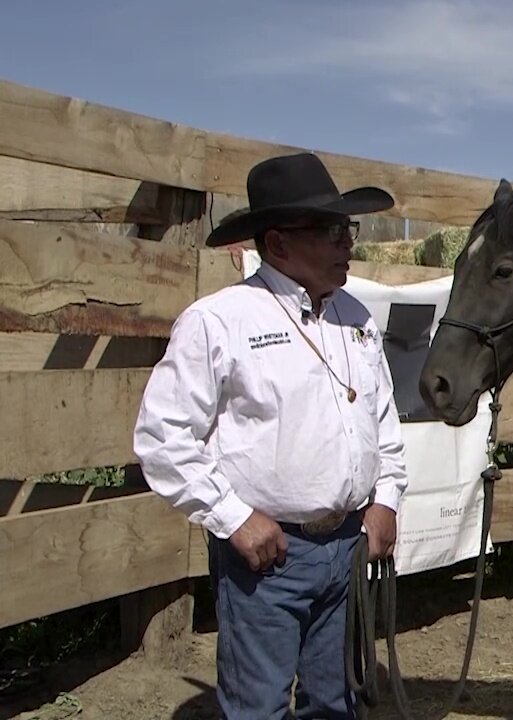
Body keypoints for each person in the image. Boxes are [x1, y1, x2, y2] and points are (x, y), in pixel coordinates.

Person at [133, 152, 410, 719]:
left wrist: (385, 499)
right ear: (279, 244)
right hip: (268, 556)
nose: (347, 242)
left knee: (335, 701)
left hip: (347, 547)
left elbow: (382, 421)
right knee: (258, 707)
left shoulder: (355, 318)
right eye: (332, 231)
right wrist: (234, 518)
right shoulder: (220, 321)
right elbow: (163, 438)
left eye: (346, 228)